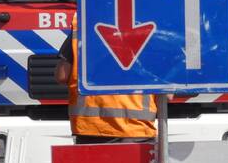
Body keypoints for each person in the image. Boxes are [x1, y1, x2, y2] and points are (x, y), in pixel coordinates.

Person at [55, 15, 157, 143]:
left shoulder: (82, 25)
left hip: (90, 129)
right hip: (137, 130)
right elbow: (167, 93)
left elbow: (62, 76)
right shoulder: (151, 27)